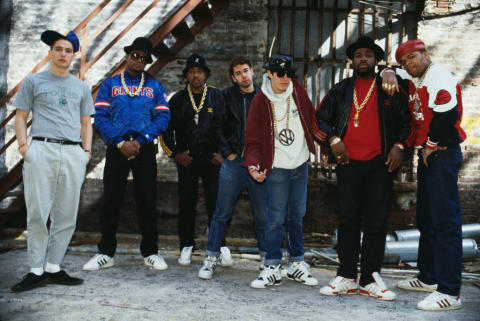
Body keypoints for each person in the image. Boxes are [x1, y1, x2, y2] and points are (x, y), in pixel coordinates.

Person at [315, 36, 411, 301]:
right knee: (347, 220)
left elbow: (407, 123)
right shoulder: (341, 90)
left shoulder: (390, 86)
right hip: (349, 165)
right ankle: (346, 275)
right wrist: (333, 140)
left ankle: (370, 278)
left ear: (376, 60)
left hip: (380, 165)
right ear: (352, 61)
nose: (363, 59)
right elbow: (319, 121)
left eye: (369, 55)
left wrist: (400, 146)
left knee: (376, 222)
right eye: (359, 55)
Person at [382, 39, 467, 311]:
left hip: (442, 151)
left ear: (425, 55)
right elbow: (391, 71)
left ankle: (450, 291)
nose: (408, 63)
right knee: (427, 219)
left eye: (412, 58)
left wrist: (429, 145)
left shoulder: (438, 75)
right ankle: (428, 277)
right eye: (404, 60)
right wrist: (388, 71)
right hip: (430, 154)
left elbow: (446, 115)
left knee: (445, 222)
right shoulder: (413, 74)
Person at [11, 30, 94, 292]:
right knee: (38, 212)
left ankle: (54, 267)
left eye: (68, 50)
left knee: (67, 214)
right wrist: (25, 147)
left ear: (74, 55)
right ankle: (36, 269)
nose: (63, 54)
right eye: (58, 49)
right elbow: (21, 117)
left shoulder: (81, 87)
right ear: (50, 52)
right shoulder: (34, 81)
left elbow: (86, 123)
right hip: (42, 150)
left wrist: (86, 153)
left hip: (72, 154)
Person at [83, 37, 170, 271]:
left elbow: (163, 116)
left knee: (147, 200)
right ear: (127, 56)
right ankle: (105, 252)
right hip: (117, 148)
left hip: (143, 148)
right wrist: (120, 142)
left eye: (144, 58)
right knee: (111, 199)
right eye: (135, 56)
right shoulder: (110, 85)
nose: (139, 61)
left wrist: (141, 140)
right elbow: (100, 117)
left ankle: (151, 252)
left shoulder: (154, 86)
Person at [243, 54, 318, 289]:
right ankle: (273, 266)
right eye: (280, 74)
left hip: (300, 165)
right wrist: (254, 164)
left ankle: (297, 263)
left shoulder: (297, 90)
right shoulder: (260, 101)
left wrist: (325, 146)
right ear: (269, 74)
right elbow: (252, 140)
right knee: (274, 218)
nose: (285, 79)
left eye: (288, 74)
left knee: (297, 215)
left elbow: (313, 120)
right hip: (277, 168)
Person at [159, 53, 232, 266]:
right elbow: (165, 131)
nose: (196, 76)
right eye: (192, 72)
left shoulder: (218, 97)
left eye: (199, 72)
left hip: (213, 160)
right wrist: (174, 154)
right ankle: (186, 246)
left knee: (216, 203)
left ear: (206, 74)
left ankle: (219, 245)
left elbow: (229, 128)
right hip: (187, 160)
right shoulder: (178, 99)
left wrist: (223, 154)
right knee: (187, 203)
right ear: (186, 76)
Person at [198, 57, 267, 280]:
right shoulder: (225, 96)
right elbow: (215, 126)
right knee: (221, 212)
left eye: (246, 71)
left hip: (258, 162)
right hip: (234, 162)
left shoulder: (265, 95)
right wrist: (228, 153)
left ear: (252, 72)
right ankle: (211, 257)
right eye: (238, 73)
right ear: (233, 78)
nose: (243, 76)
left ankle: (267, 259)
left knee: (262, 213)